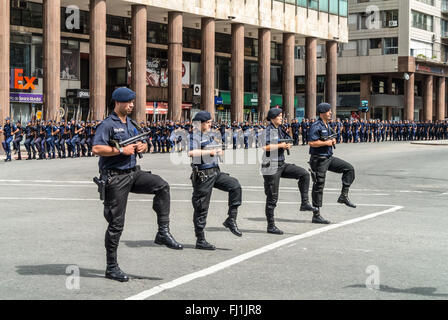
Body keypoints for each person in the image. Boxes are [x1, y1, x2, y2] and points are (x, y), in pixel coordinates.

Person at [92, 87, 182, 282]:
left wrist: (144, 146)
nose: (132, 105)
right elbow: (97, 148)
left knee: (162, 186)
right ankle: (111, 267)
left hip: (134, 173)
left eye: (133, 102)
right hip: (115, 177)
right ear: (118, 102)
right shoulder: (107, 125)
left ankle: (162, 232)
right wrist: (120, 151)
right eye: (128, 102)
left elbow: (144, 141)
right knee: (116, 224)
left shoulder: (132, 124)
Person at [189, 111, 242, 250]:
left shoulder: (211, 134)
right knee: (201, 208)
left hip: (215, 171)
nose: (210, 124)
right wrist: (209, 152)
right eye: (207, 122)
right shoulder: (195, 136)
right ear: (199, 123)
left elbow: (220, 149)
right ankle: (200, 239)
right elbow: (191, 153)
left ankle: (231, 219)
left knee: (235, 186)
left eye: (210, 122)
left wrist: (219, 150)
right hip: (203, 174)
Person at [260, 108, 315, 234]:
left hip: (281, 163)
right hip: (270, 166)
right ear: (273, 117)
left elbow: (287, 139)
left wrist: (287, 144)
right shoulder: (269, 130)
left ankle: (305, 202)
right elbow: (265, 146)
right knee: (272, 197)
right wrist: (281, 145)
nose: (281, 118)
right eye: (279, 116)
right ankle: (271, 225)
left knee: (304, 174)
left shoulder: (280, 128)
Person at [308, 103, 356, 225]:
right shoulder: (316, 125)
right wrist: (327, 143)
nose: (331, 113)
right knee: (319, 185)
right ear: (322, 112)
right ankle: (316, 215)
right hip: (319, 159)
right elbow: (312, 143)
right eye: (329, 111)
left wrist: (332, 140)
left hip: (328, 157)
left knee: (349, 169)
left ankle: (343, 196)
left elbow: (327, 139)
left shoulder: (327, 125)